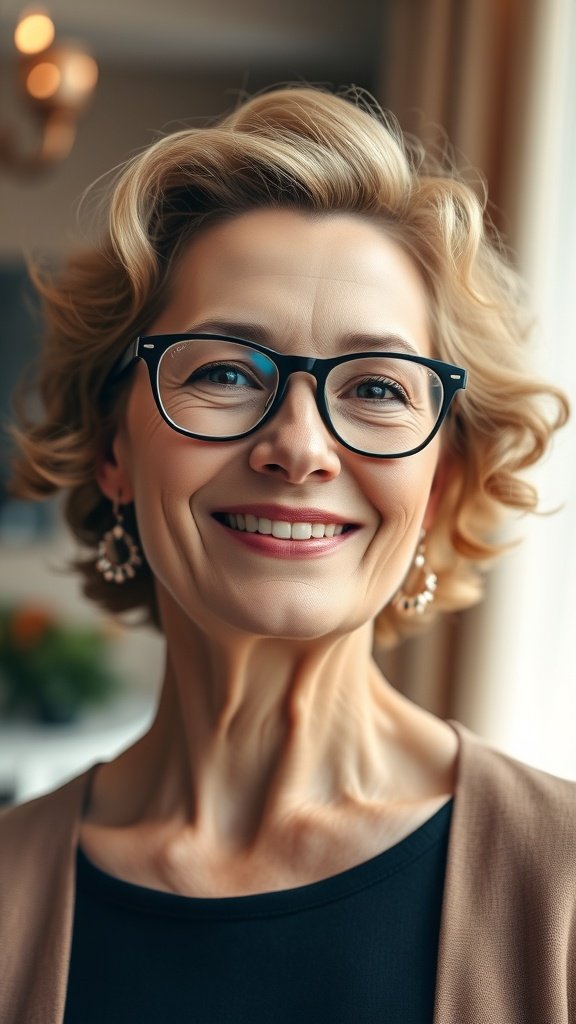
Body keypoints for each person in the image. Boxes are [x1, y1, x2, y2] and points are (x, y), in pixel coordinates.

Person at [0, 86, 573, 1024]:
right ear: (113, 449)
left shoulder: (563, 889)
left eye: (379, 387)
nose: (300, 447)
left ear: (439, 480)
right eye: (226, 370)